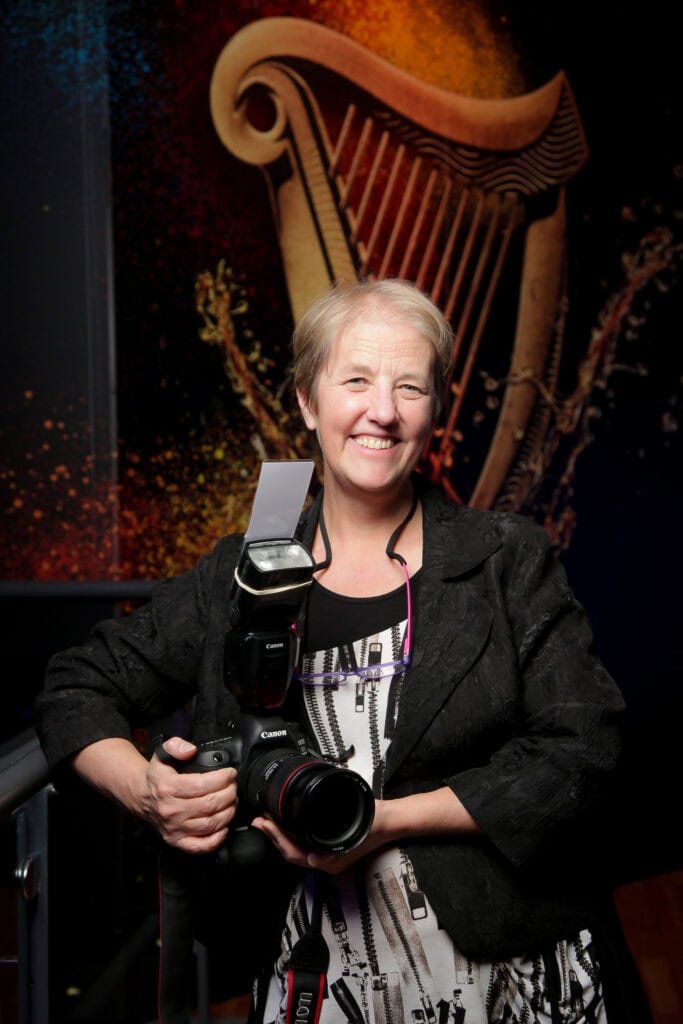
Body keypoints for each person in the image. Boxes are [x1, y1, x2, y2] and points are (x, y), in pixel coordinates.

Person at [35, 279, 651, 1024]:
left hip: (510, 975)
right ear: (305, 401)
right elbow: (74, 686)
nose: (381, 411)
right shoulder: (243, 570)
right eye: (354, 380)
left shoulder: (503, 557)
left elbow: (587, 749)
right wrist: (146, 791)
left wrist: (386, 821)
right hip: (321, 980)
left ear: (435, 409)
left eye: (409, 387)